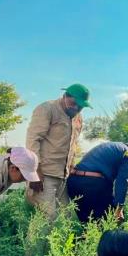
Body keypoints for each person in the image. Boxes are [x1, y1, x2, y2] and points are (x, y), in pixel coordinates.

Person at [26, 84, 91, 219]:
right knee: (47, 217)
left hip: (63, 177)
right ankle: (34, 241)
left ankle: (59, 241)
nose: (77, 108)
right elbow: (33, 140)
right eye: (74, 103)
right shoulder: (47, 109)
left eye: (81, 106)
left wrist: (71, 165)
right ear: (65, 96)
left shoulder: (78, 118)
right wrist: (34, 172)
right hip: (44, 175)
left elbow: (73, 144)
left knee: (67, 216)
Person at [67, 137, 128, 223]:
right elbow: (123, 182)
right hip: (91, 184)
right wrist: (119, 208)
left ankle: (89, 234)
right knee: (110, 216)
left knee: (88, 221)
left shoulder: (114, 146)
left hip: (74, 182)